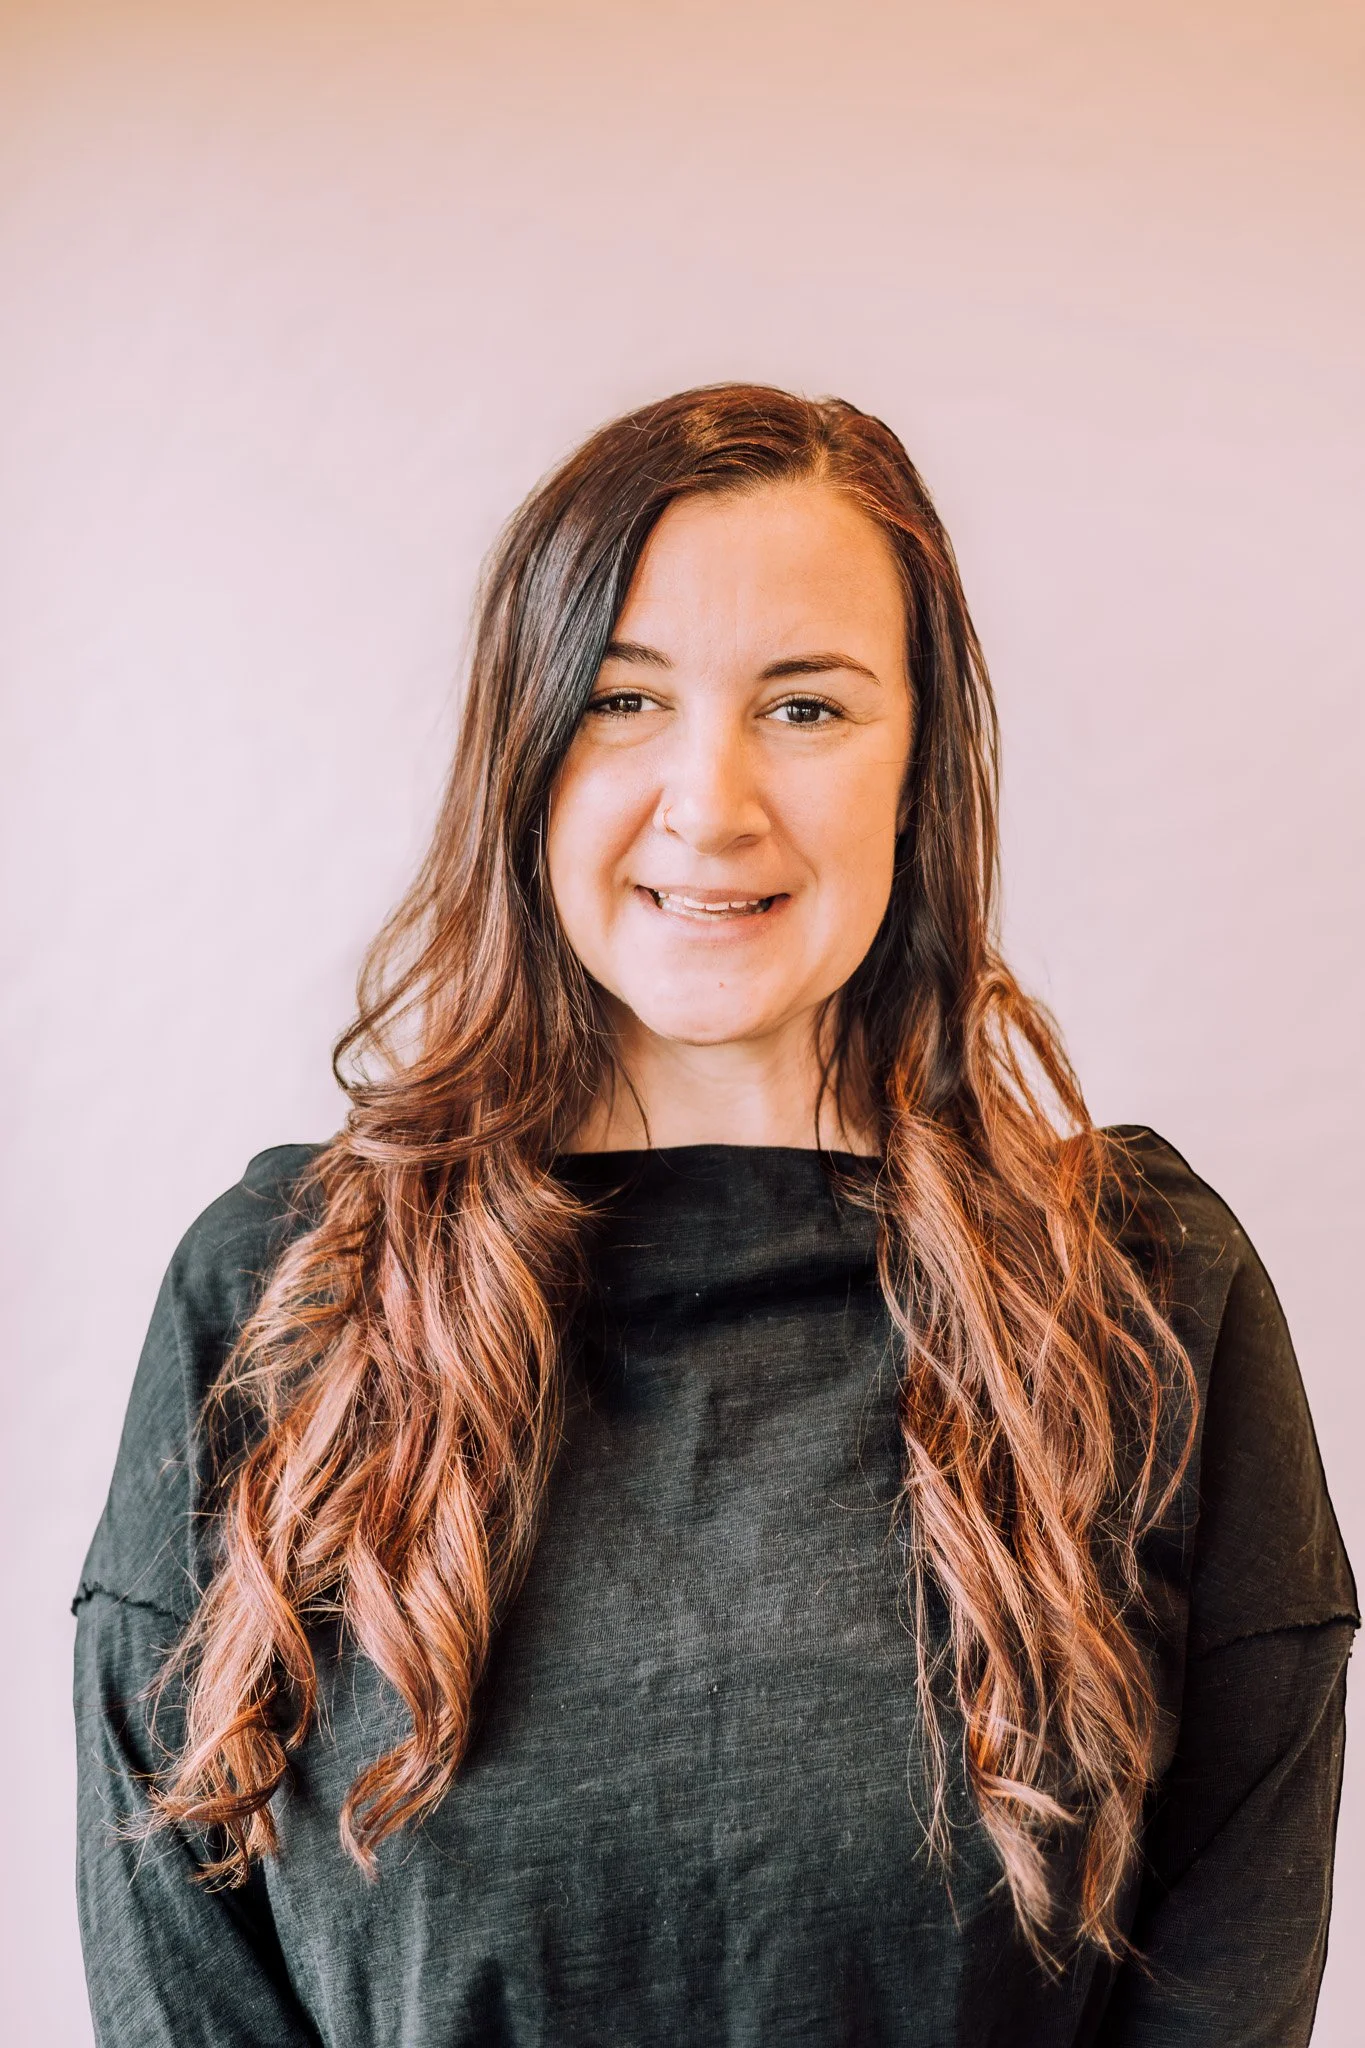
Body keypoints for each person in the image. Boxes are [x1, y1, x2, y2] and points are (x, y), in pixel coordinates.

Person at [74, 384, 1357, 2046]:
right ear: (524, 754)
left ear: (921, 765)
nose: (712, 800)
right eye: (623, 700)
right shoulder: (281, 1301)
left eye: (806, 707)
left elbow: (1226, 1987)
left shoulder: (1145, 1300)